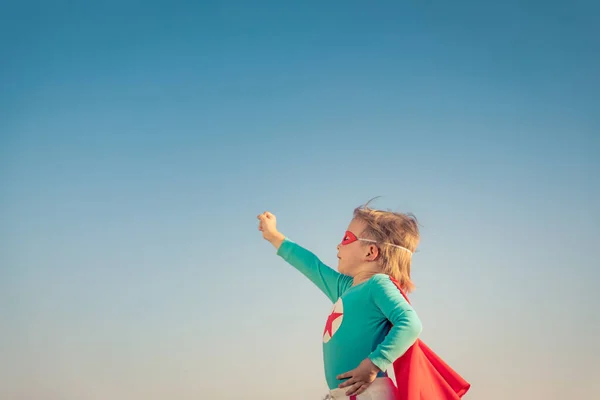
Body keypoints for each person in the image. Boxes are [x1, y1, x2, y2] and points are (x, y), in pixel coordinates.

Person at [257, 202, 423, 399]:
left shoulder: (378, 285)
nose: (338, 245)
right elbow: (311, 266)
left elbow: (411, 324)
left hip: (369, 393)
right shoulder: (347, 288)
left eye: (346, 239)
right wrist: (274, 236)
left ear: (370, 252)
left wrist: (375, 363)